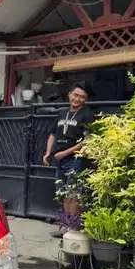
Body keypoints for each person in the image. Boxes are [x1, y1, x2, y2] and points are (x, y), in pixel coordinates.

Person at [42, 82, 94, 238]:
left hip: (76, 159)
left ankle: (73, 228)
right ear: (70, 94)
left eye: (82, 97)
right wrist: (48, 152)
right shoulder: (61, 113)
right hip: (59, 159)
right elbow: (52, 134)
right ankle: (65, 227)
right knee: (64, 193)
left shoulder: (87, 114)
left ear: (85, 100)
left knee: (74, 194)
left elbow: (87, 140)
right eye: (75, 95)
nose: (77, 99)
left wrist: (65, 153)